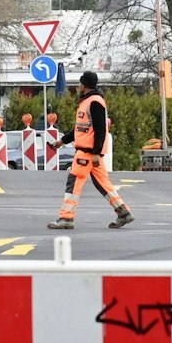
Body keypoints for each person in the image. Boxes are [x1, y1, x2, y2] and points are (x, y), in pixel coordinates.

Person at [48, 71, 134, 230]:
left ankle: (66, 218)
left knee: (73, 184)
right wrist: (61, 141)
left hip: (87, 153)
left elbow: (101, 129)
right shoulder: (88, 101)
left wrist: (95, 152)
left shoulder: (94, 102)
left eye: (80, 83)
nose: (78, 86)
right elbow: (80, 130)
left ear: (84, 85)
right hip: (89, 153)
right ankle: (124, 213)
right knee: (104, 185)